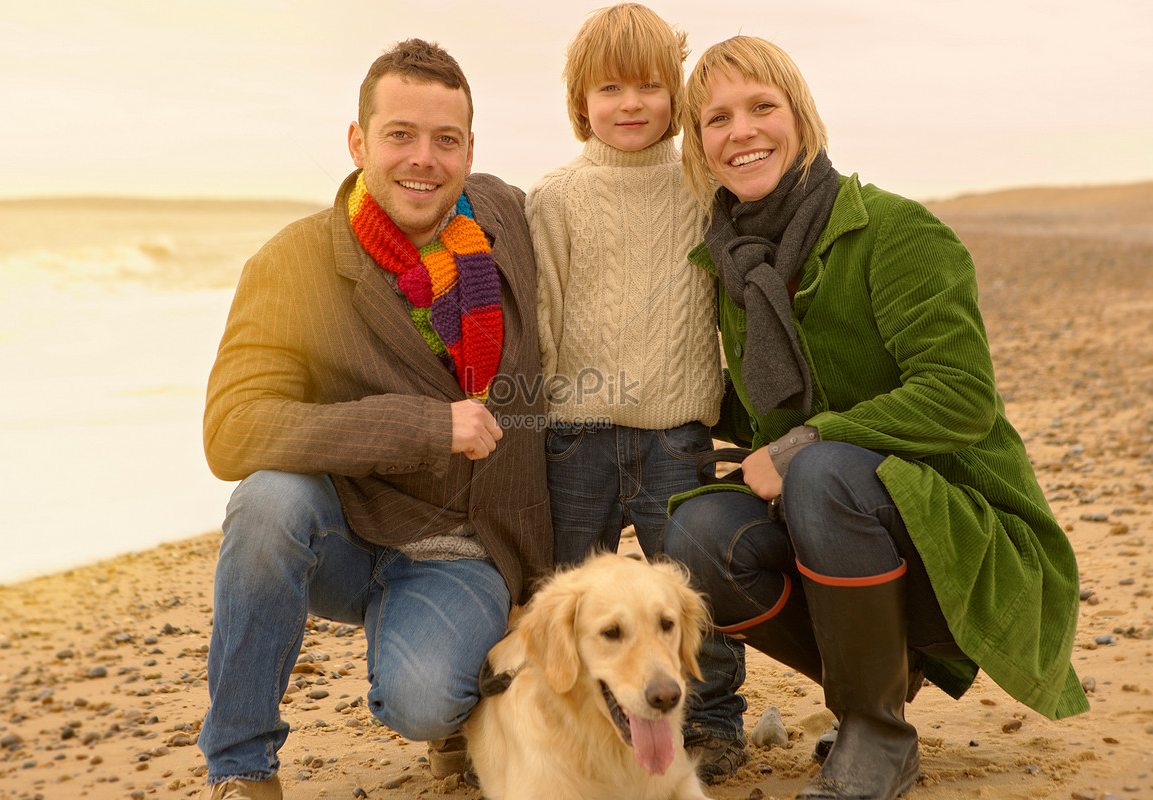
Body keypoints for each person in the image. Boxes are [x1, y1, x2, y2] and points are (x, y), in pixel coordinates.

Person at [660, 35, 1089, 799]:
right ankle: (880, 684)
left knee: (819, 469)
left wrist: (802, 444)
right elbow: (763, 403)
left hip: (964, 535)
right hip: (850, 523)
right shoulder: (736, 263)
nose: (742, 131)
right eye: (717, 119)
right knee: (697, 533)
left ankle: (877, 734)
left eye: (763, 106)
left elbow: (961, 396)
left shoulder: (898, 232)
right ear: (699, 145)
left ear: (803, 116)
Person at [199, 39, 553, 800]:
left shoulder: (509, 219)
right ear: (359, 141)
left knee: (424, 702)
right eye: (399, 135)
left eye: (445, 140)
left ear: (469, 150)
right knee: (265, 503)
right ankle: (240, 763)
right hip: (349, 533)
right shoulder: (293, 264)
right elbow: (232, 428)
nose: (422, 159)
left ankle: (446, 687)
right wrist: (422, 425)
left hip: (468, 547)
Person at [526, 6, 743, 781]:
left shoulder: (703, 185)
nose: (630, 104)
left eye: (651, 86)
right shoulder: (554, 198)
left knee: (689, 596)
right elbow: (541, 315)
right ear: (580, 99)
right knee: (567, 600)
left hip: (675, 434)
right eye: (609, 87)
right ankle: (563, 727)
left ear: (676, 96)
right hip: (575, 435)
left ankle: (715, 723)